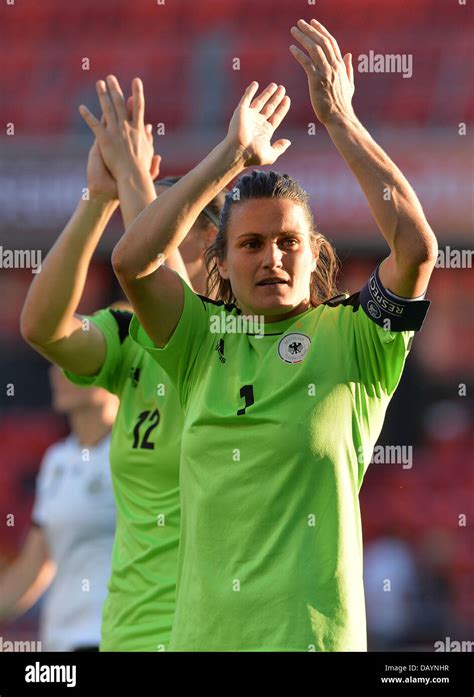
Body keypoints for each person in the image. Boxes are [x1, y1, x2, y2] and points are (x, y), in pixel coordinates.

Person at [111, 19, 438, 651]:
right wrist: (229, 158)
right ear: (224, 262)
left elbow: (416, 249)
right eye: (251, 244)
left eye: (289, 242)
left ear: (315, 255)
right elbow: (132, 262)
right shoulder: (198, 339)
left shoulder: (355, 337)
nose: (272, 258)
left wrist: (340, 119)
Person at [20, 76, 225, 651]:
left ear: (218, 252)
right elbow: (43, 327)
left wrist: (132, 177)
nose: (151, 230)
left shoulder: (241, 340)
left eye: (173, 222)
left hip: (206, 636)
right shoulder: (127, 333)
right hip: (125, 635)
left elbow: (158, 282)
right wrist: (97, 200)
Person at [0, 366, 117, 652]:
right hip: (60, 644)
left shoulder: (143, 456)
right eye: (54, 361)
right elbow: (33, 566)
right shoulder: (57, 460)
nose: (57, 372)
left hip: (115, 639)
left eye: (74, 360)